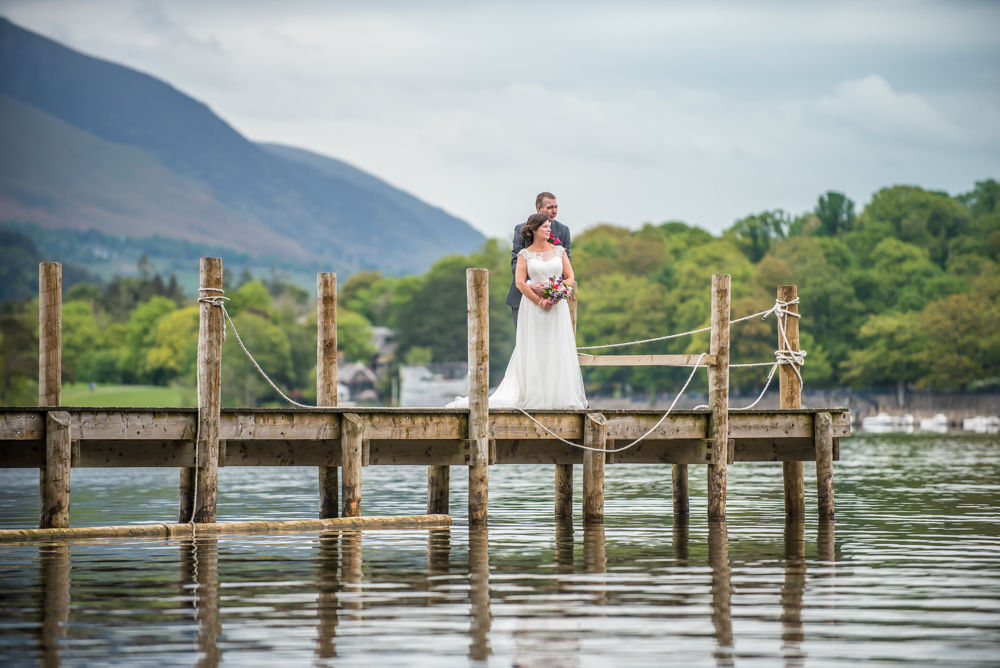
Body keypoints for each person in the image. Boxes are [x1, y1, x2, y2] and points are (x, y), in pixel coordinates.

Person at [448, 213, 587, 410]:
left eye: (549, 226)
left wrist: (556, 293)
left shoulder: (559, 251)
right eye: (545, 227)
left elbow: (570, 276)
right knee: (534, 347)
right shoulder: (525, 255)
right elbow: (520, 283)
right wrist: (539, 301)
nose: (549, 229)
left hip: (557, 308)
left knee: (558, 346)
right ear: (534, 230)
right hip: (533, 308)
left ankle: (560, 396)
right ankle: (535, 394)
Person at [506, 192, 571, 329]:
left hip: (555, 300)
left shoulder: (563, 230)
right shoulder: (521, 229)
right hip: (524, 297)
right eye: (549, 207)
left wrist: (555, 291)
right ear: (539, 209)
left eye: (556, 207)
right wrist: (530, 285)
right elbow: (515, 262)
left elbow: (567, 267)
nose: (554, 211)